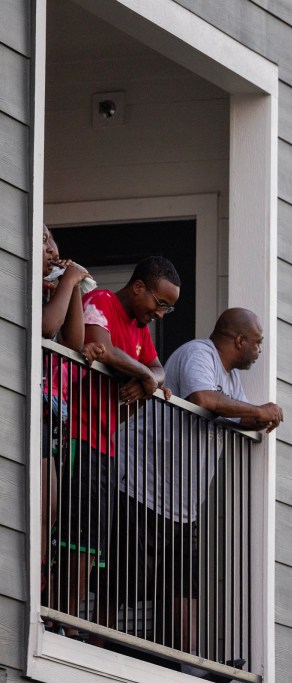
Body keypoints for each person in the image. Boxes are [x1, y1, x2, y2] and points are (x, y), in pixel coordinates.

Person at [114, 307, 282, 657]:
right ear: (239, 340)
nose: (259, 350)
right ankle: (98, 645)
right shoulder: (198, 354)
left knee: (184, 584)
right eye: (258, 342)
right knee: (121, 579)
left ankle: (187, 665)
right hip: (143, 486)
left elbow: (236, 415)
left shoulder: (231, 380)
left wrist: (262, 418)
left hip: (183, 504)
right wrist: (258, 411)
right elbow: (203, 399)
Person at [55, 255, 180, 636]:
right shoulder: (103, 302)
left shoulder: (140, 329)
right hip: (78, 434)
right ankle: (60, 619)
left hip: (107, 445)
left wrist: (149, 377)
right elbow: (101, 347)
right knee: (76, 538)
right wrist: (145, 376)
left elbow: (160, 369)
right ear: (139, 287)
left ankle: (69, 618)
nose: (161, 313)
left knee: (92, 544)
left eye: (169, 308)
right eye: (160, 303)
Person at [40, 225, 99, 612]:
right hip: (33, 412)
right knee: (43, 505)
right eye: (41, 238)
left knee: (52, 509)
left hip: (52, 421)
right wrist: (66, 284)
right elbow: (46, 328)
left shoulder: (53, 287)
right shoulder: (29, 284)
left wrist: (73, 285)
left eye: (50, 238)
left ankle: (41, 588)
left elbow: (73, 343)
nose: (49, 246)